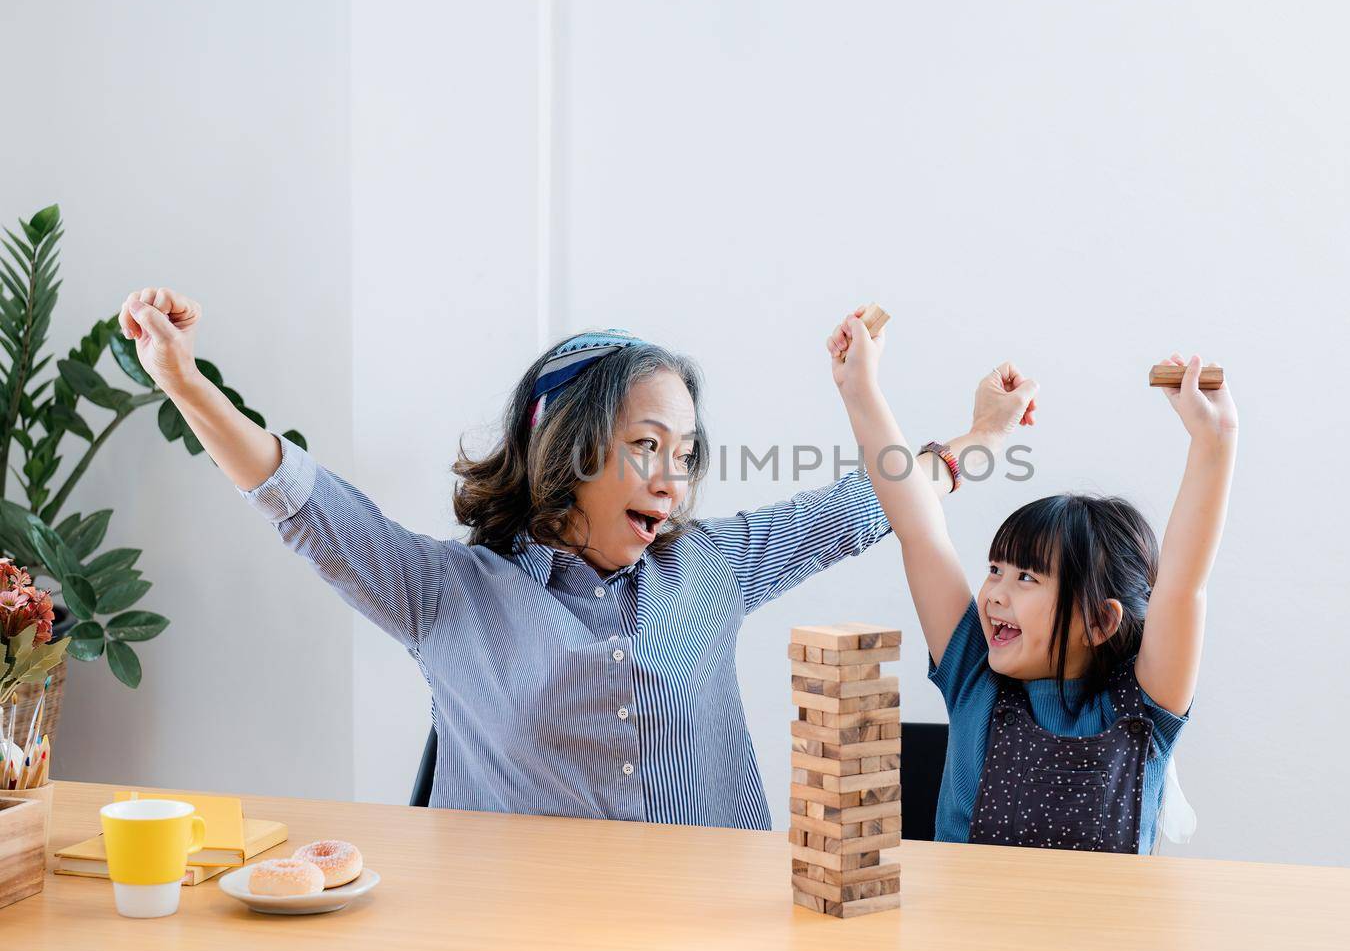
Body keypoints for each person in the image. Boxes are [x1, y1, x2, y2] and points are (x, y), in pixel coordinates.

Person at [119, 292, 1035, 828]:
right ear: (571, 447)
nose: (672, 480)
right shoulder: (446, 594)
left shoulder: (709, 567)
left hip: (710, 944)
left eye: (685, 453)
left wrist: (981, 436)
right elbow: (301, 500)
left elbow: (866, 502)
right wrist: (184, 382)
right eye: (647, 445)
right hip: (518, 949)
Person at [826, 310, 1235, 852]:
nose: (994, 591)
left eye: (1025, 577)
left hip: (1101, 939)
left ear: (1099, 620)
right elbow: (918, 526)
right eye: (995, 569)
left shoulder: (1142, 707)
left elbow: (1183, 585)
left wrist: (1216, 440)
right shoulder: (973, 675)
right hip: (966, 934)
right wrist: (860, 390)